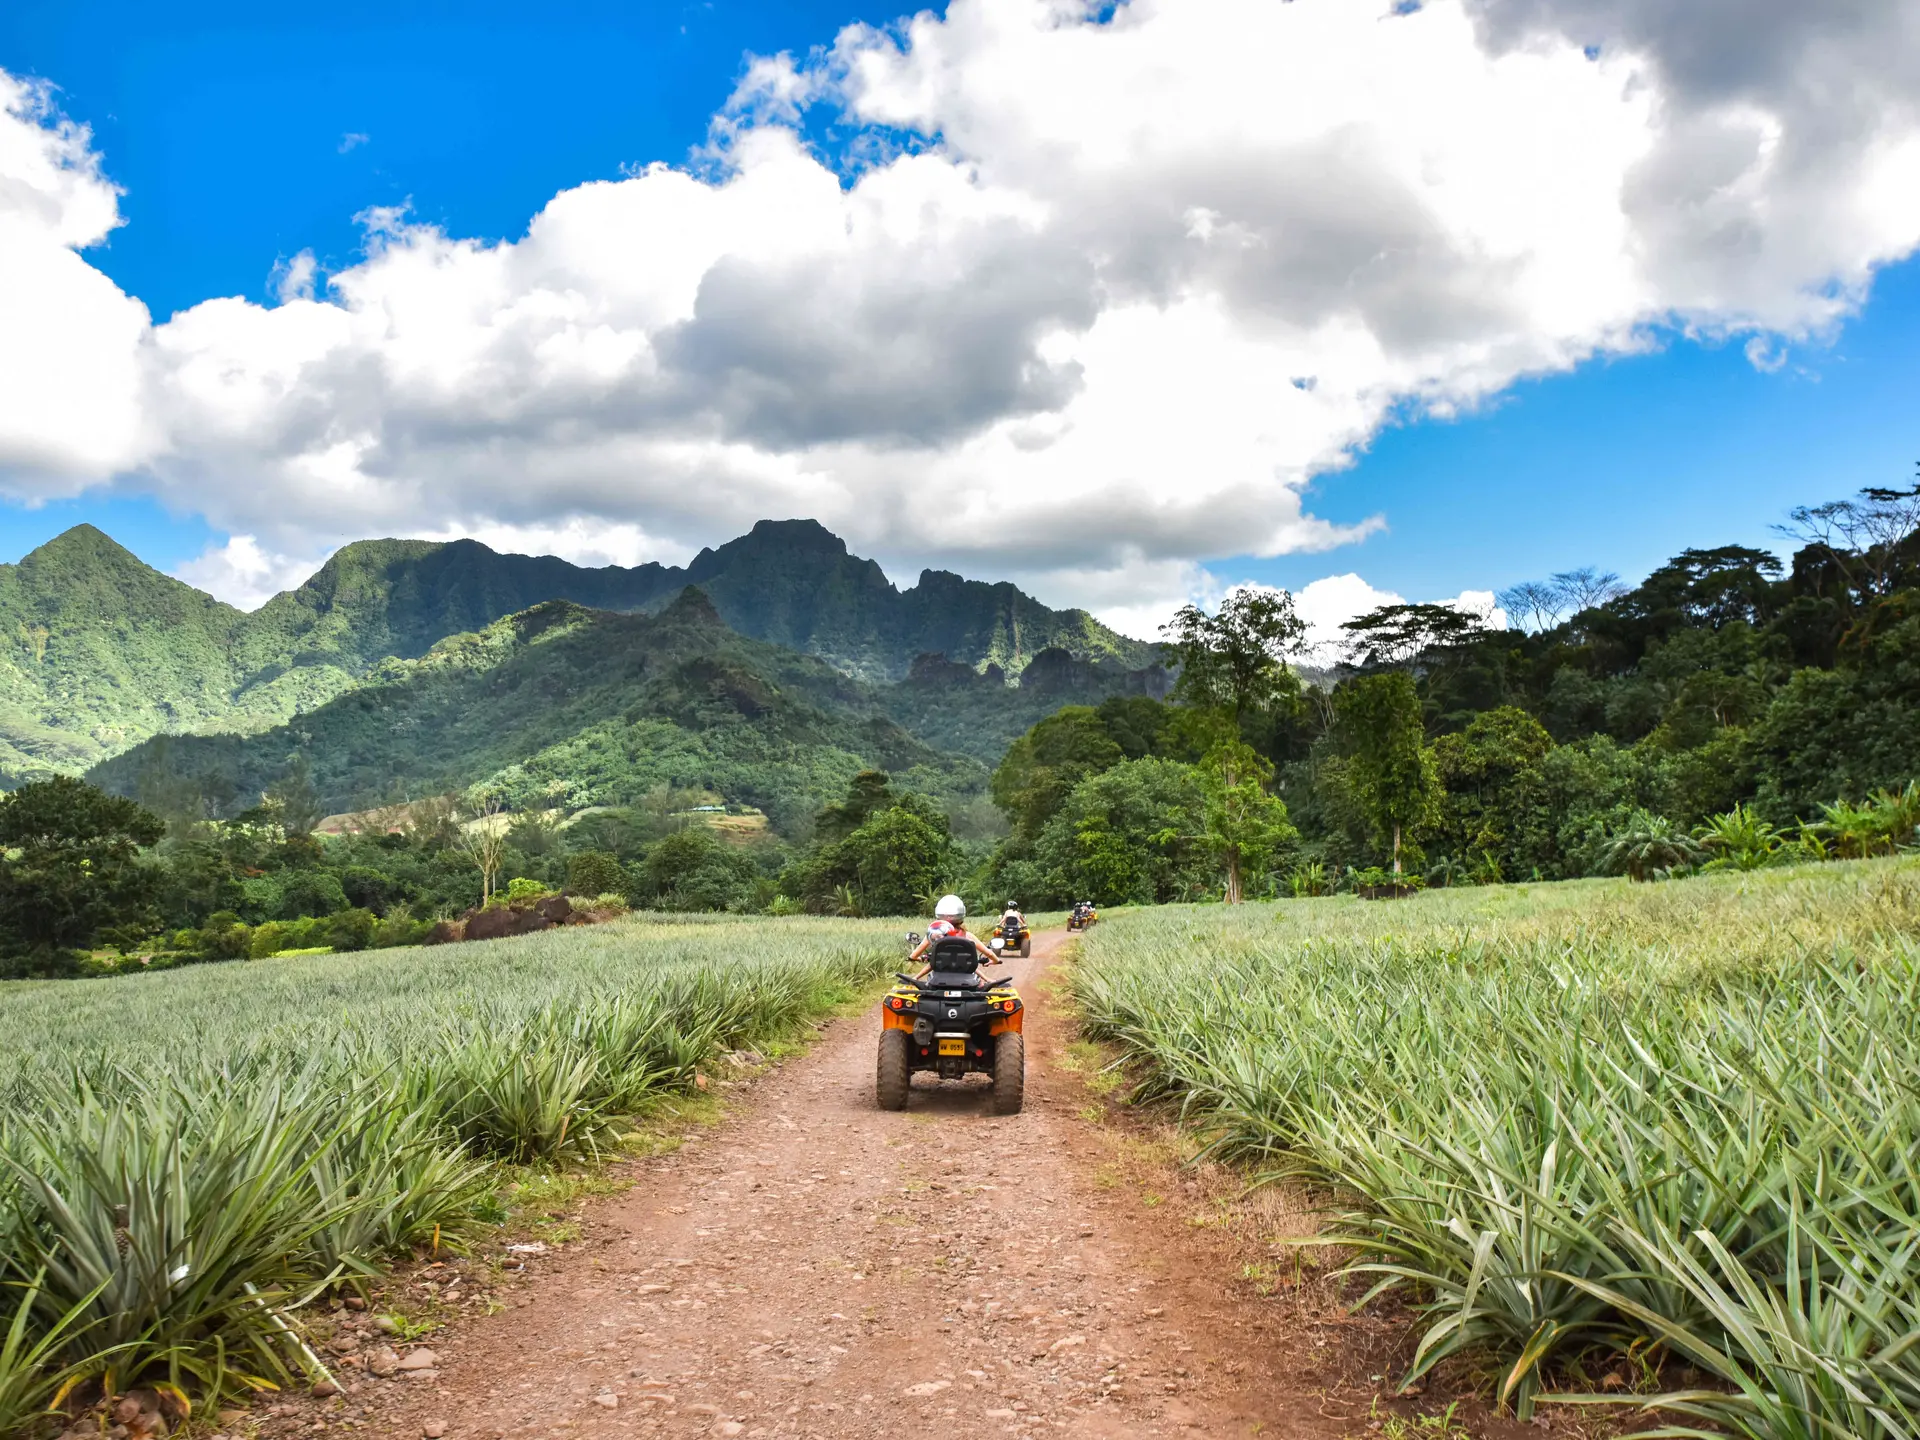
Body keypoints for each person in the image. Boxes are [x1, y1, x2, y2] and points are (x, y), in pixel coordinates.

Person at [909, 894, 997, 975]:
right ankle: (987, 980)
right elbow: (989, 954)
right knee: (977, 980)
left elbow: (913, 956)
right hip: (965, 976)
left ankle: (915, 978)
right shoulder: (967, 935)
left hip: (939, 977)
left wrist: (920, 958)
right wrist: (996, 961)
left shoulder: (934, 935)